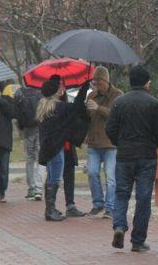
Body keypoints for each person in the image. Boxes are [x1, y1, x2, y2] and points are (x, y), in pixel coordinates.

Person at [106, 65, 158, 252]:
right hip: (146, 156)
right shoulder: (154, 103)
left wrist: (120, 143)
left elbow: (110, 129)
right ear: (147, 82)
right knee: (143, 197)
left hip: (125, 155)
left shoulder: (119, 102)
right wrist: (152, 145)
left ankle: (119, 226)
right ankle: (138, 240)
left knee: (121, 193)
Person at [38, 79, 89, 221]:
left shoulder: (45, 106)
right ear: (54, 91)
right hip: (56, 149)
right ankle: (50, 210)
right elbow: (77, 107)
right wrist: (84, 88)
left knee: (51, 177)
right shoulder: (58, 107)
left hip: (47, 149)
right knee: (55, 178)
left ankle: (50, 208)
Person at [85, 66, 123, 218]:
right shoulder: (91, 96)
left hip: (110, 143)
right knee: (92, 173)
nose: (97, 85)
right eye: (95, 82)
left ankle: (110, 207)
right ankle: (98, 203)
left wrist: (98, 108)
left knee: (111, 177)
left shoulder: (118, 95)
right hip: (94, 142)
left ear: (106, 81)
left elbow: (116, 114)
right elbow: (87, 118)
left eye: (99, 82)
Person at [15, 84, 43, 201]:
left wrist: (21, 127)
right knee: (40, 159)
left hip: (27, 131)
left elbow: (16, 113)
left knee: (29, 160)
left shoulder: (19, 92)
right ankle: (38, 189)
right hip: (40, 129)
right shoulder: (40, 93)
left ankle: (31, 188)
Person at [0, 81, 16, 203]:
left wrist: (0, 100)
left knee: (4, 169)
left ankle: (1, 192)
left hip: (4, 141)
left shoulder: (6, 101)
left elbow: (13, 112)